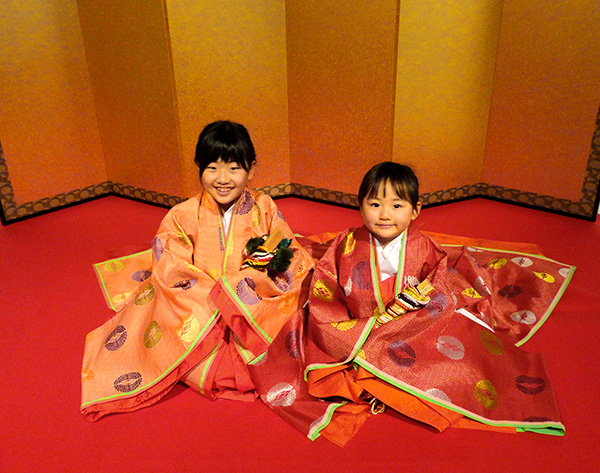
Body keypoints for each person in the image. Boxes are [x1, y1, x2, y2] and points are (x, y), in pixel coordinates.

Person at [302, 161, 572, 442]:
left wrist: (406, 317)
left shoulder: (424, 248)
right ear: (360, 206)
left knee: (459, 369)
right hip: (360, 325)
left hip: (412, 325)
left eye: (397, 205)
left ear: (415, 210)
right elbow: (326, 289)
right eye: (375, 204)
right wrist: (349, 330)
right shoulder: (344, 245)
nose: (384, 215)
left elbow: (438, 291)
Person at [81, 121, 314, 419]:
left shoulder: (265, 208)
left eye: (234, 168)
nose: (223, 179)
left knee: (290, 344)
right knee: (213, 369)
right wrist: (220, 297)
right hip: (200, 309)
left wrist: (245, 287)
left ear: (251, 169)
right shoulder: (181, 215)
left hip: (253, 306)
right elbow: (172, 266)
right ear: (199, 168)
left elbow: (287, 251)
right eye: (213, 168)